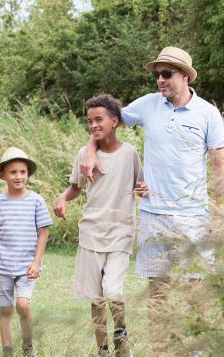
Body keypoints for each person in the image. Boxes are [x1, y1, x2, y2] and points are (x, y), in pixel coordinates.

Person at [80, 47, 224, 356]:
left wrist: (219, 215)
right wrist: (91, 149)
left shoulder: (208, 113)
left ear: (185, 76)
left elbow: (219, 166)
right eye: (156, 74)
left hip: (193, 216)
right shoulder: (147, 105)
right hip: (154, 214)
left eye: (166, 74)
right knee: (158, 296)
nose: (159, 80)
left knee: (194, 293)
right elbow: (107, 122)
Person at [54, 94, 148, 357]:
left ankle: (121, 334)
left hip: (120, 232)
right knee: (96, 298)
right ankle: (103, 350)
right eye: (89, 121)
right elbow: (75, 188)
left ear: (115, 121)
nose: (94, 125)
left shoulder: (130, 153)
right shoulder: (84, 155)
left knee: (113, 291)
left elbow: (139, 185)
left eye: (99, 120)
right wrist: (63, 197)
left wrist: (143, 189)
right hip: (91, 232)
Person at [0, 147, 52, 357]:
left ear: (28, 174)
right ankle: (7, 350)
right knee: (5, 310)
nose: (19, 176)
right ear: (4, 175)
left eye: (23, 172)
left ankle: (27, 344)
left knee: (22, 305)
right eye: (13, 172)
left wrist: (36, 262)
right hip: (3, 265)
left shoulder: (36, 201)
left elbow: (43, 233)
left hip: (27, 265)